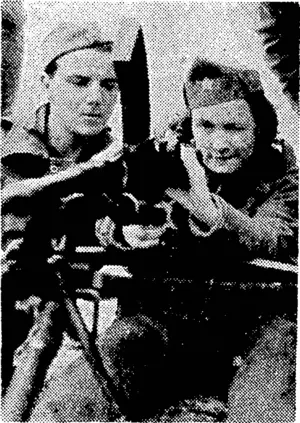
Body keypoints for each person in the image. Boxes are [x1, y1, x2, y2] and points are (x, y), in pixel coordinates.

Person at [94, 58, 298, 420]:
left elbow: (275, 238)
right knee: (87, 381)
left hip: (254, 327)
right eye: (206, 125)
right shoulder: (166, 160)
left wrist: (210, 211)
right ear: (191, 126)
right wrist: (127, 232)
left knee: (264, 401)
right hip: (166, 322)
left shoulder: (283, 178)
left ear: (260, 130)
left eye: (234, 128)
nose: (219, 143)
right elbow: (109, 214)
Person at [1, 21, 125, 395]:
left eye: (109, 85)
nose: (95, 98)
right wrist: (86, 174)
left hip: (73, 323)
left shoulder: (123, 165)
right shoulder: (6, 146)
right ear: (46, 82)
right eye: (79, 81)